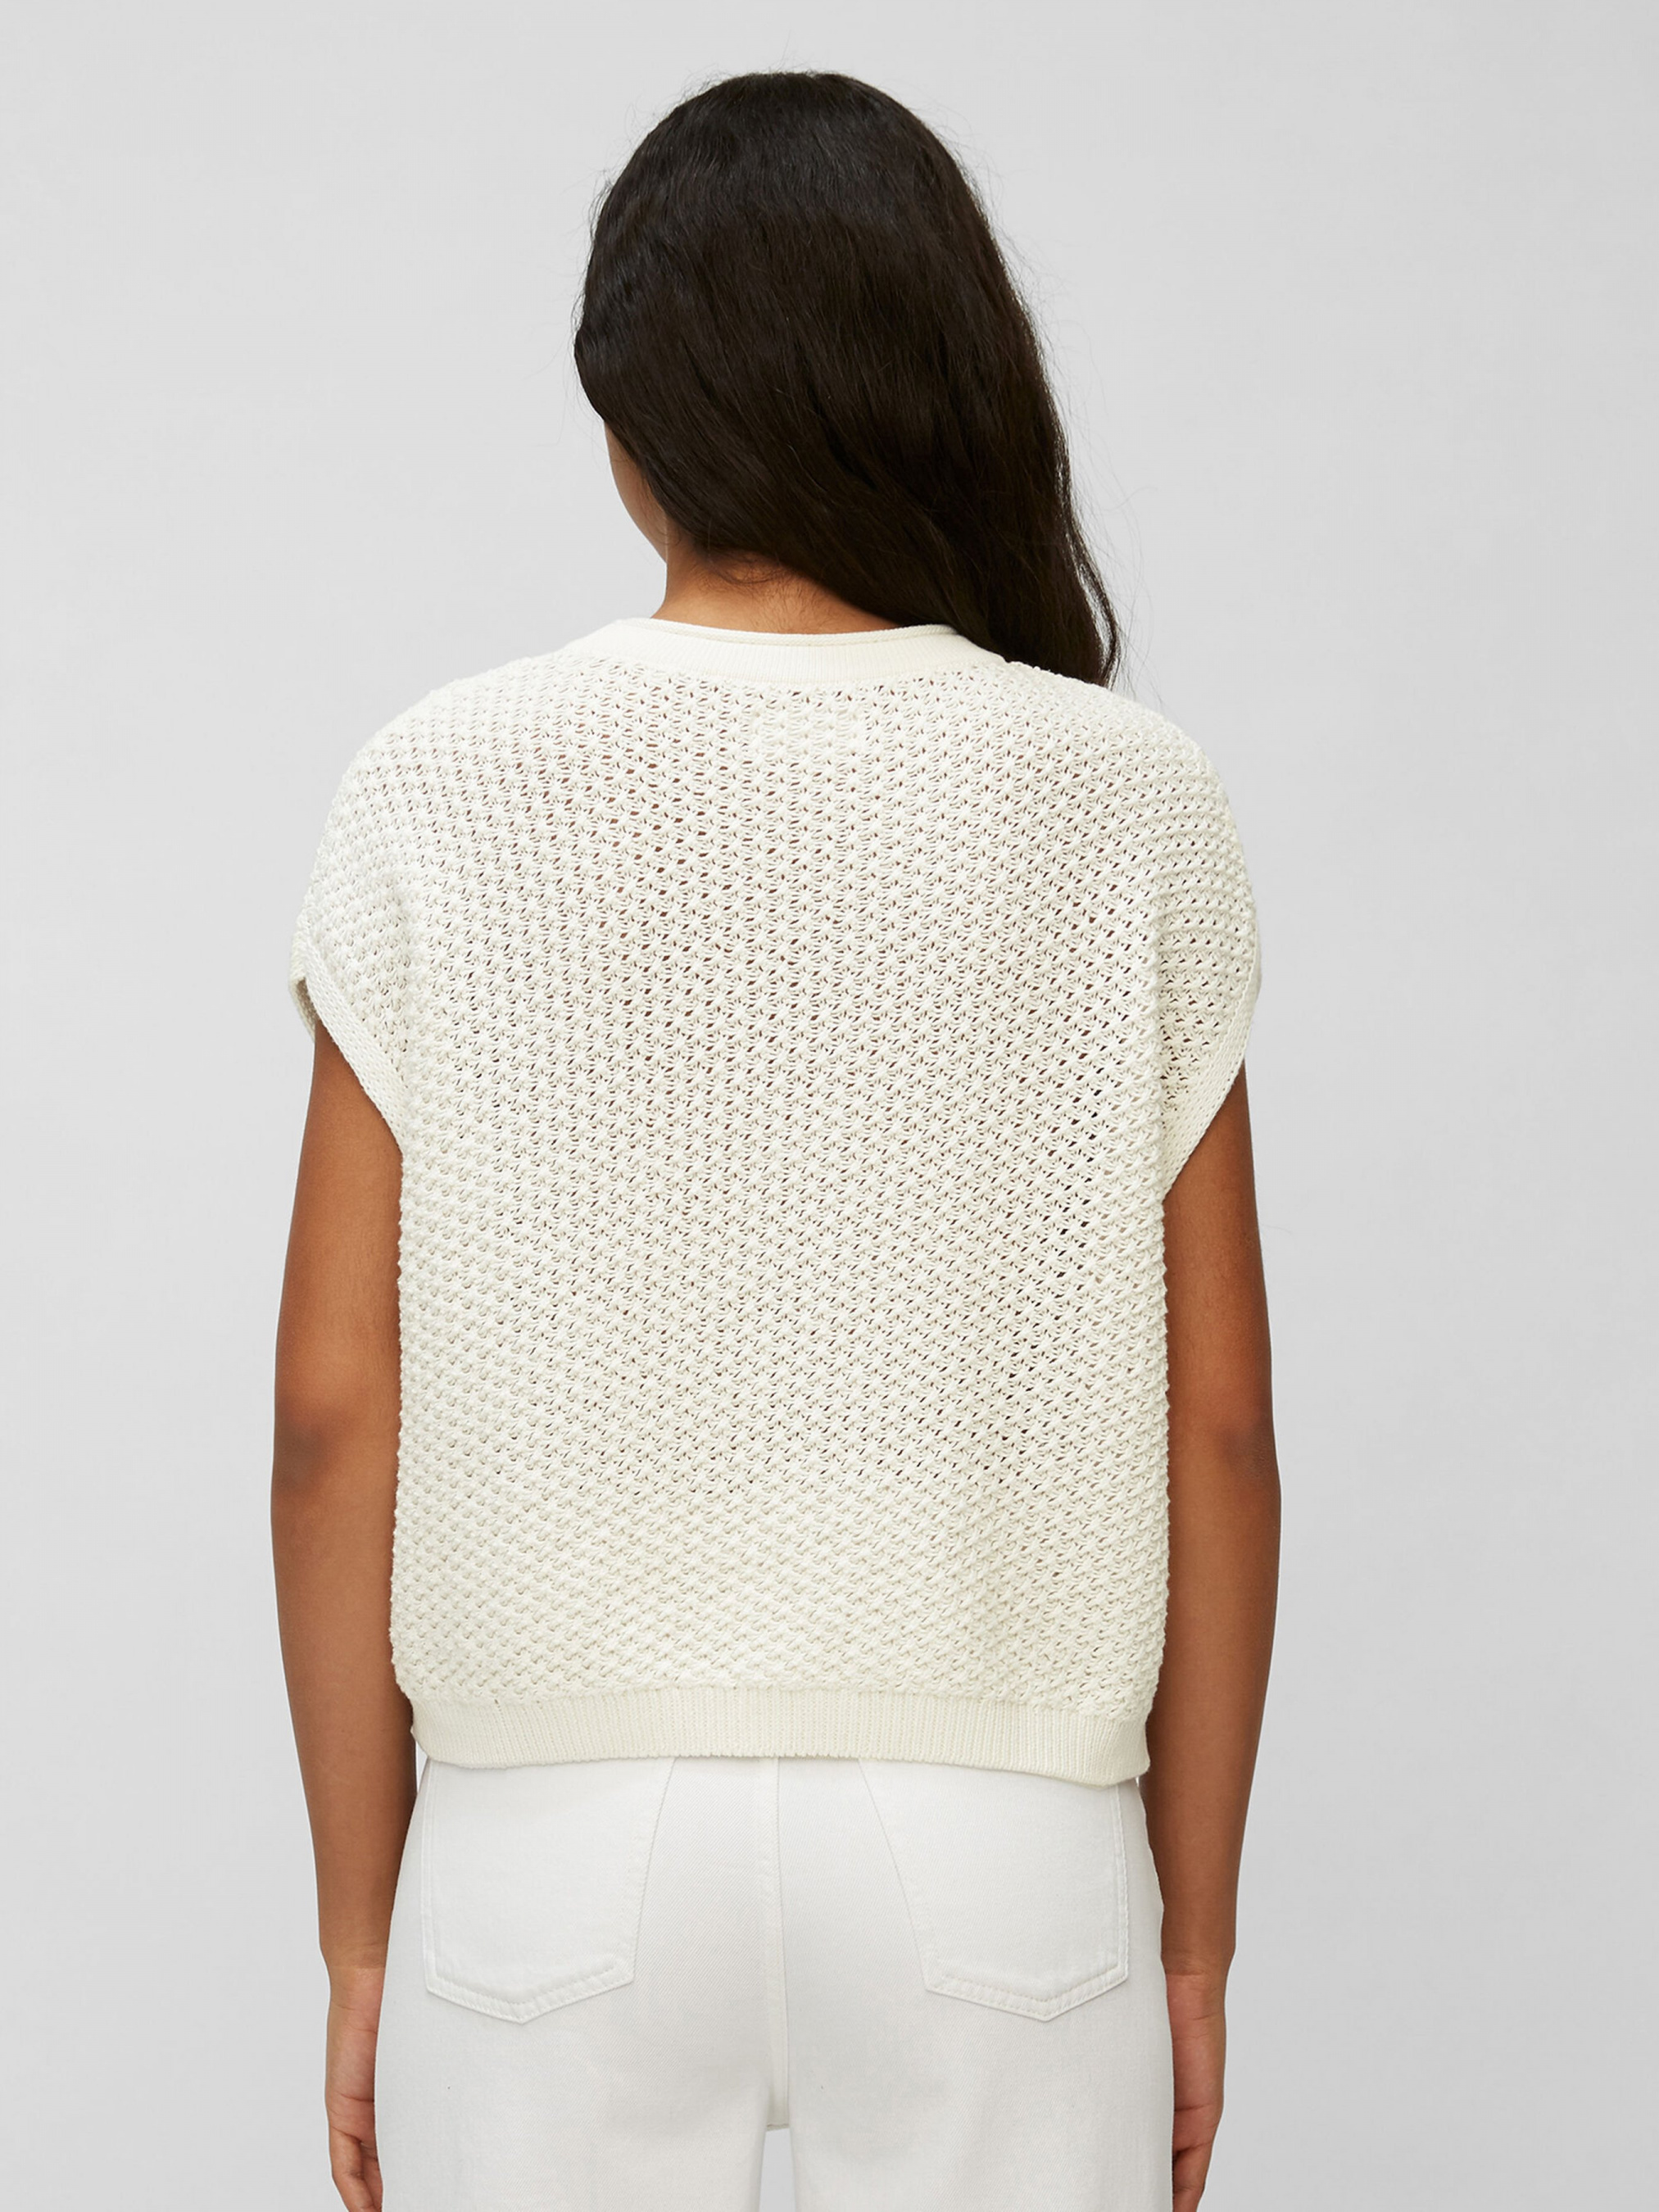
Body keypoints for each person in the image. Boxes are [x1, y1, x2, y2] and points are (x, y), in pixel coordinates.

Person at [273, 69, 1279, 2212]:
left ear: (631, 427)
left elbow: (331, 1418)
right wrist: (1191, 1944)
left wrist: (363, 1937)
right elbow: (1216, 1433)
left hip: (547, 1845)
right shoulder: (1129, 802)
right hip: (1003, 1845)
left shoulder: (435, 782)